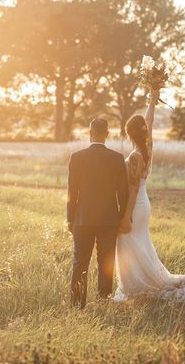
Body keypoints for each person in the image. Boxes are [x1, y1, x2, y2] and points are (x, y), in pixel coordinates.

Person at [114, 89, 185, 302]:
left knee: (127, 243)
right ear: (143, 132)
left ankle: (136, 286)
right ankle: (138, 283)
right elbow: (149, 121)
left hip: (135, 205)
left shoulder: (135, 156)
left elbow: (133, 189)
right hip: (144, 204)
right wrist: (152, 99)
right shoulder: (147, 149)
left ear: (129, 134)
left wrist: (126, 216)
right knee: (140, 244)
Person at [67, 117, 129, 308]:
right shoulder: (117, 158)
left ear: (90, 133)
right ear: (107, 134)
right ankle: (103, 301)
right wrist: (121, 217)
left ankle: (77, 304)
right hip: (109, 220)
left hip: (82, 219)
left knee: (80, 262)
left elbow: (72, 191)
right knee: (106, 262)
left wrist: (70, 219)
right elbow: (123, 193)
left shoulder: (77, 157)